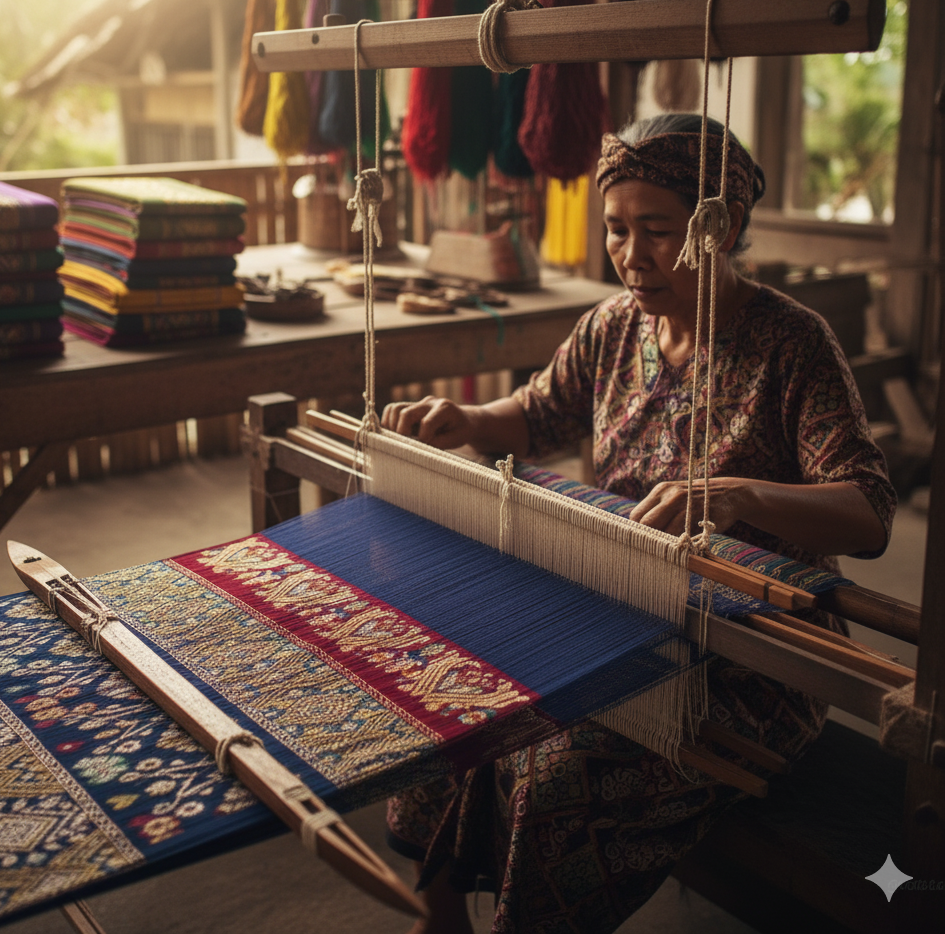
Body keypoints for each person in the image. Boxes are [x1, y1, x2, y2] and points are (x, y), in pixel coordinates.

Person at [380, 113, 896, 934]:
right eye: (617, 229)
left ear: (719, 224)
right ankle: (439, 916)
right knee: (449, 693)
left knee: (559, 776)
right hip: (615, 614)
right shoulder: (614, 326)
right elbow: (539, 414)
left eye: (657, 231)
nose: (631, 254)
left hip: (747, 656)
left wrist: (736, 495)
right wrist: (468, 420)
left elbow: (868, 512)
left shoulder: (793, 344)